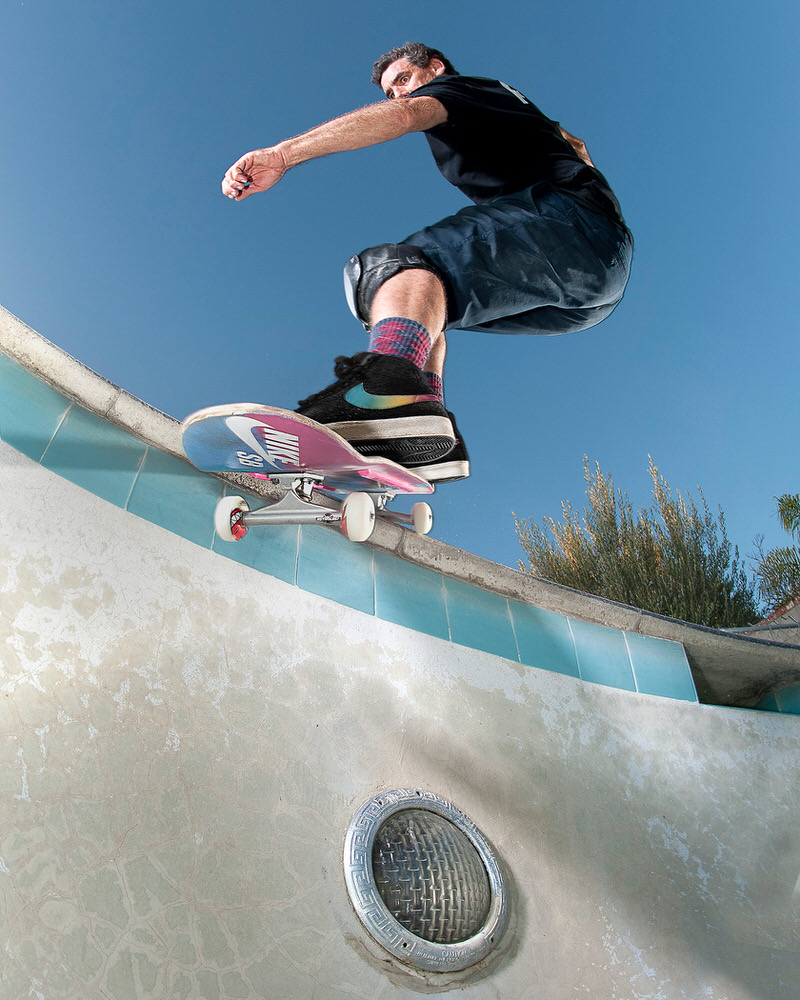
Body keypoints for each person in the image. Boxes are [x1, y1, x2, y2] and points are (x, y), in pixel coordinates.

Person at [221, 42, 632, 483]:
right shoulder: (502, 100)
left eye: (403, 80)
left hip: (567, 226)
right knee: (426, 308)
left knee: (390, 269)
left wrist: (281, 156)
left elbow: (405, 118)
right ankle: (419, 437)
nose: (399, 95)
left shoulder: (457, 89)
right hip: (591, 288)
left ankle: (380, 401)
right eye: (390, 91)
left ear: (434, 68)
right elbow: (575, 141)